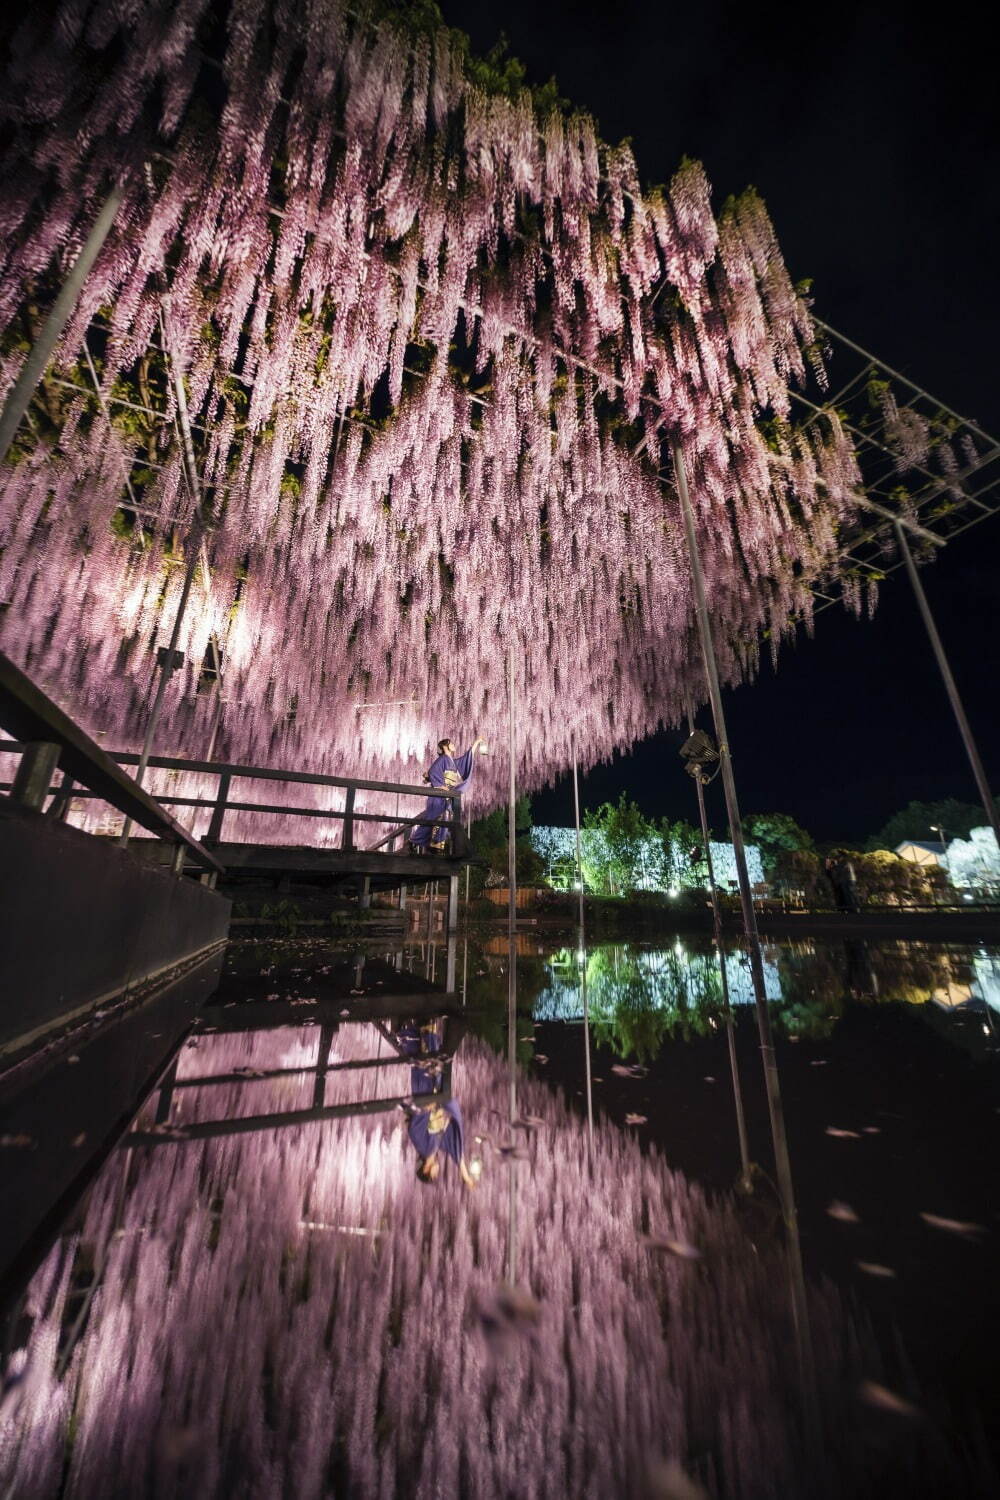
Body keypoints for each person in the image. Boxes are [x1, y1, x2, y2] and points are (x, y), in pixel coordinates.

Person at [409, 735, 485, 853]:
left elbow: (467, 757)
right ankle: (414, 841)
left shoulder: (453, 762)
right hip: (438, 796)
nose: (454, 745)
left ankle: (436, 845)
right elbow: (433, 771)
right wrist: (440, 785)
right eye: (451, 743)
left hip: (445, 796)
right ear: (445, 747)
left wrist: (476, 742)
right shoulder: (443, 759)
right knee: (432, 818)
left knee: (445, 818)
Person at [407, 1096, 479, 1188]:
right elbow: (456, 1151)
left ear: (425, 1170)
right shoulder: (433, 1149)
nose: (437, 1174)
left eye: (434, 1175)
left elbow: (414, 1130)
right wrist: (466, 1177)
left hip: (428, 1096)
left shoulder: (423, 1147)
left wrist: (426, 1108)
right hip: (437, 1098)